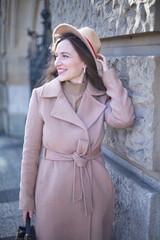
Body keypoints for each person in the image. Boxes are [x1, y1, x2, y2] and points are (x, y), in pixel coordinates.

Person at [19, 23, 135, 240]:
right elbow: (30, 152)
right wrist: (26, 198)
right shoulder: (41, 96)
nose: (57, 62)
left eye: (64, 56)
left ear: (84, 61)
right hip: (53, 190)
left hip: (94, 190)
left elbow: (124, 118)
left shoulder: (101, 95)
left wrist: (108, 76)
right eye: (56, 56)